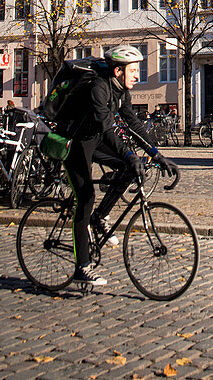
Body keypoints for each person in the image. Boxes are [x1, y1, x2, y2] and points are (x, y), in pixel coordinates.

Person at [54, 44, 177, 287]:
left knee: (130, 168)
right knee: (85, 199)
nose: (137, 75)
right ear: (118, 71)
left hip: (94, 139)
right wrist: (129, 154)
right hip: (74, 141)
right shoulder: (99, 88)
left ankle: (100, 217)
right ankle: (82, 267)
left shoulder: (122, 92)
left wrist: (156, 153)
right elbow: (107, 127)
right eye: (132, 70)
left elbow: (132, 123)